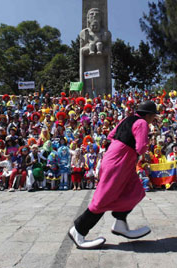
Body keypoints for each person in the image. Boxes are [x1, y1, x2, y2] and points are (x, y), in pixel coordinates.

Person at [68, 100, 157, 249]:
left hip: (117, 160)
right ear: (148, 115)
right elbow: (141, 148)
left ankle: (120, 224)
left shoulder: (127, 119)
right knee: (102, 200)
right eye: (153, 116)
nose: (153, 119)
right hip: (119, 163)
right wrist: (145, 144)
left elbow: (110, 135)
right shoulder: (142, 123)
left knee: (136, 191)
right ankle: (78, 231)